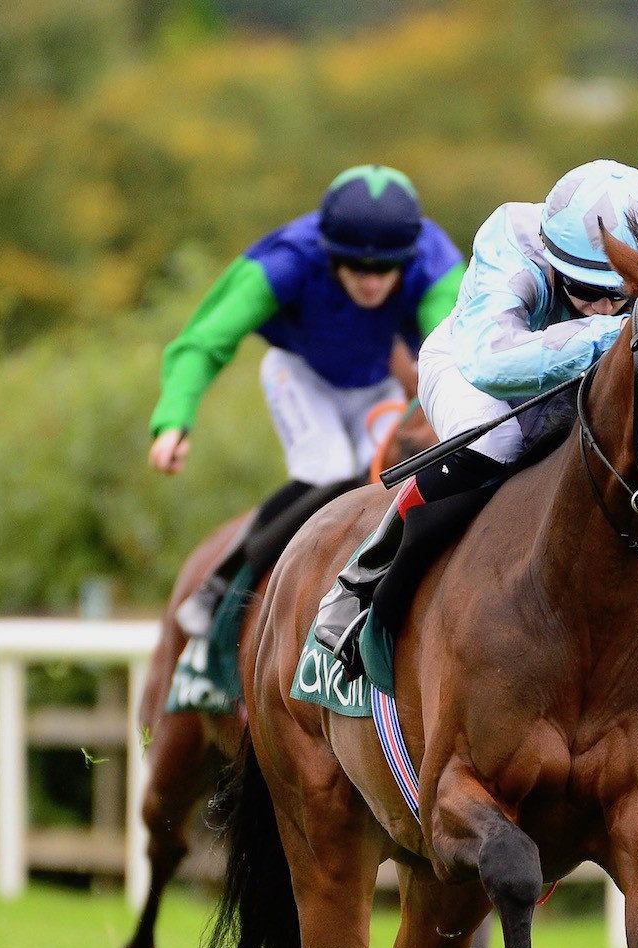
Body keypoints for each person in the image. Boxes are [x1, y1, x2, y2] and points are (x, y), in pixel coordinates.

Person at [310, 159, 638, 674]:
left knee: (635, 454)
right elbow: (492, 364)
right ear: (556, 263)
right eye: (586, 291)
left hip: (594, 369)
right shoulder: (512, 240)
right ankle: (366, 578)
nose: (602, 306)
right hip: (475, 365)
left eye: (617, 295)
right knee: (497, 446)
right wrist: (619, 335)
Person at [147, 165, 466, 637]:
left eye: (385, 269)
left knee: (387, 483)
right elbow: (204, 340)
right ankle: (224, 581)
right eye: (356, 267)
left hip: (376, 384)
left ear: (408, 257)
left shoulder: (436, 263)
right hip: (298, 374)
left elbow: (455, 350)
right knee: (329, 469)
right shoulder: (288, 259)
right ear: (329, 252)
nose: (371, 282)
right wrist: (174, 419)